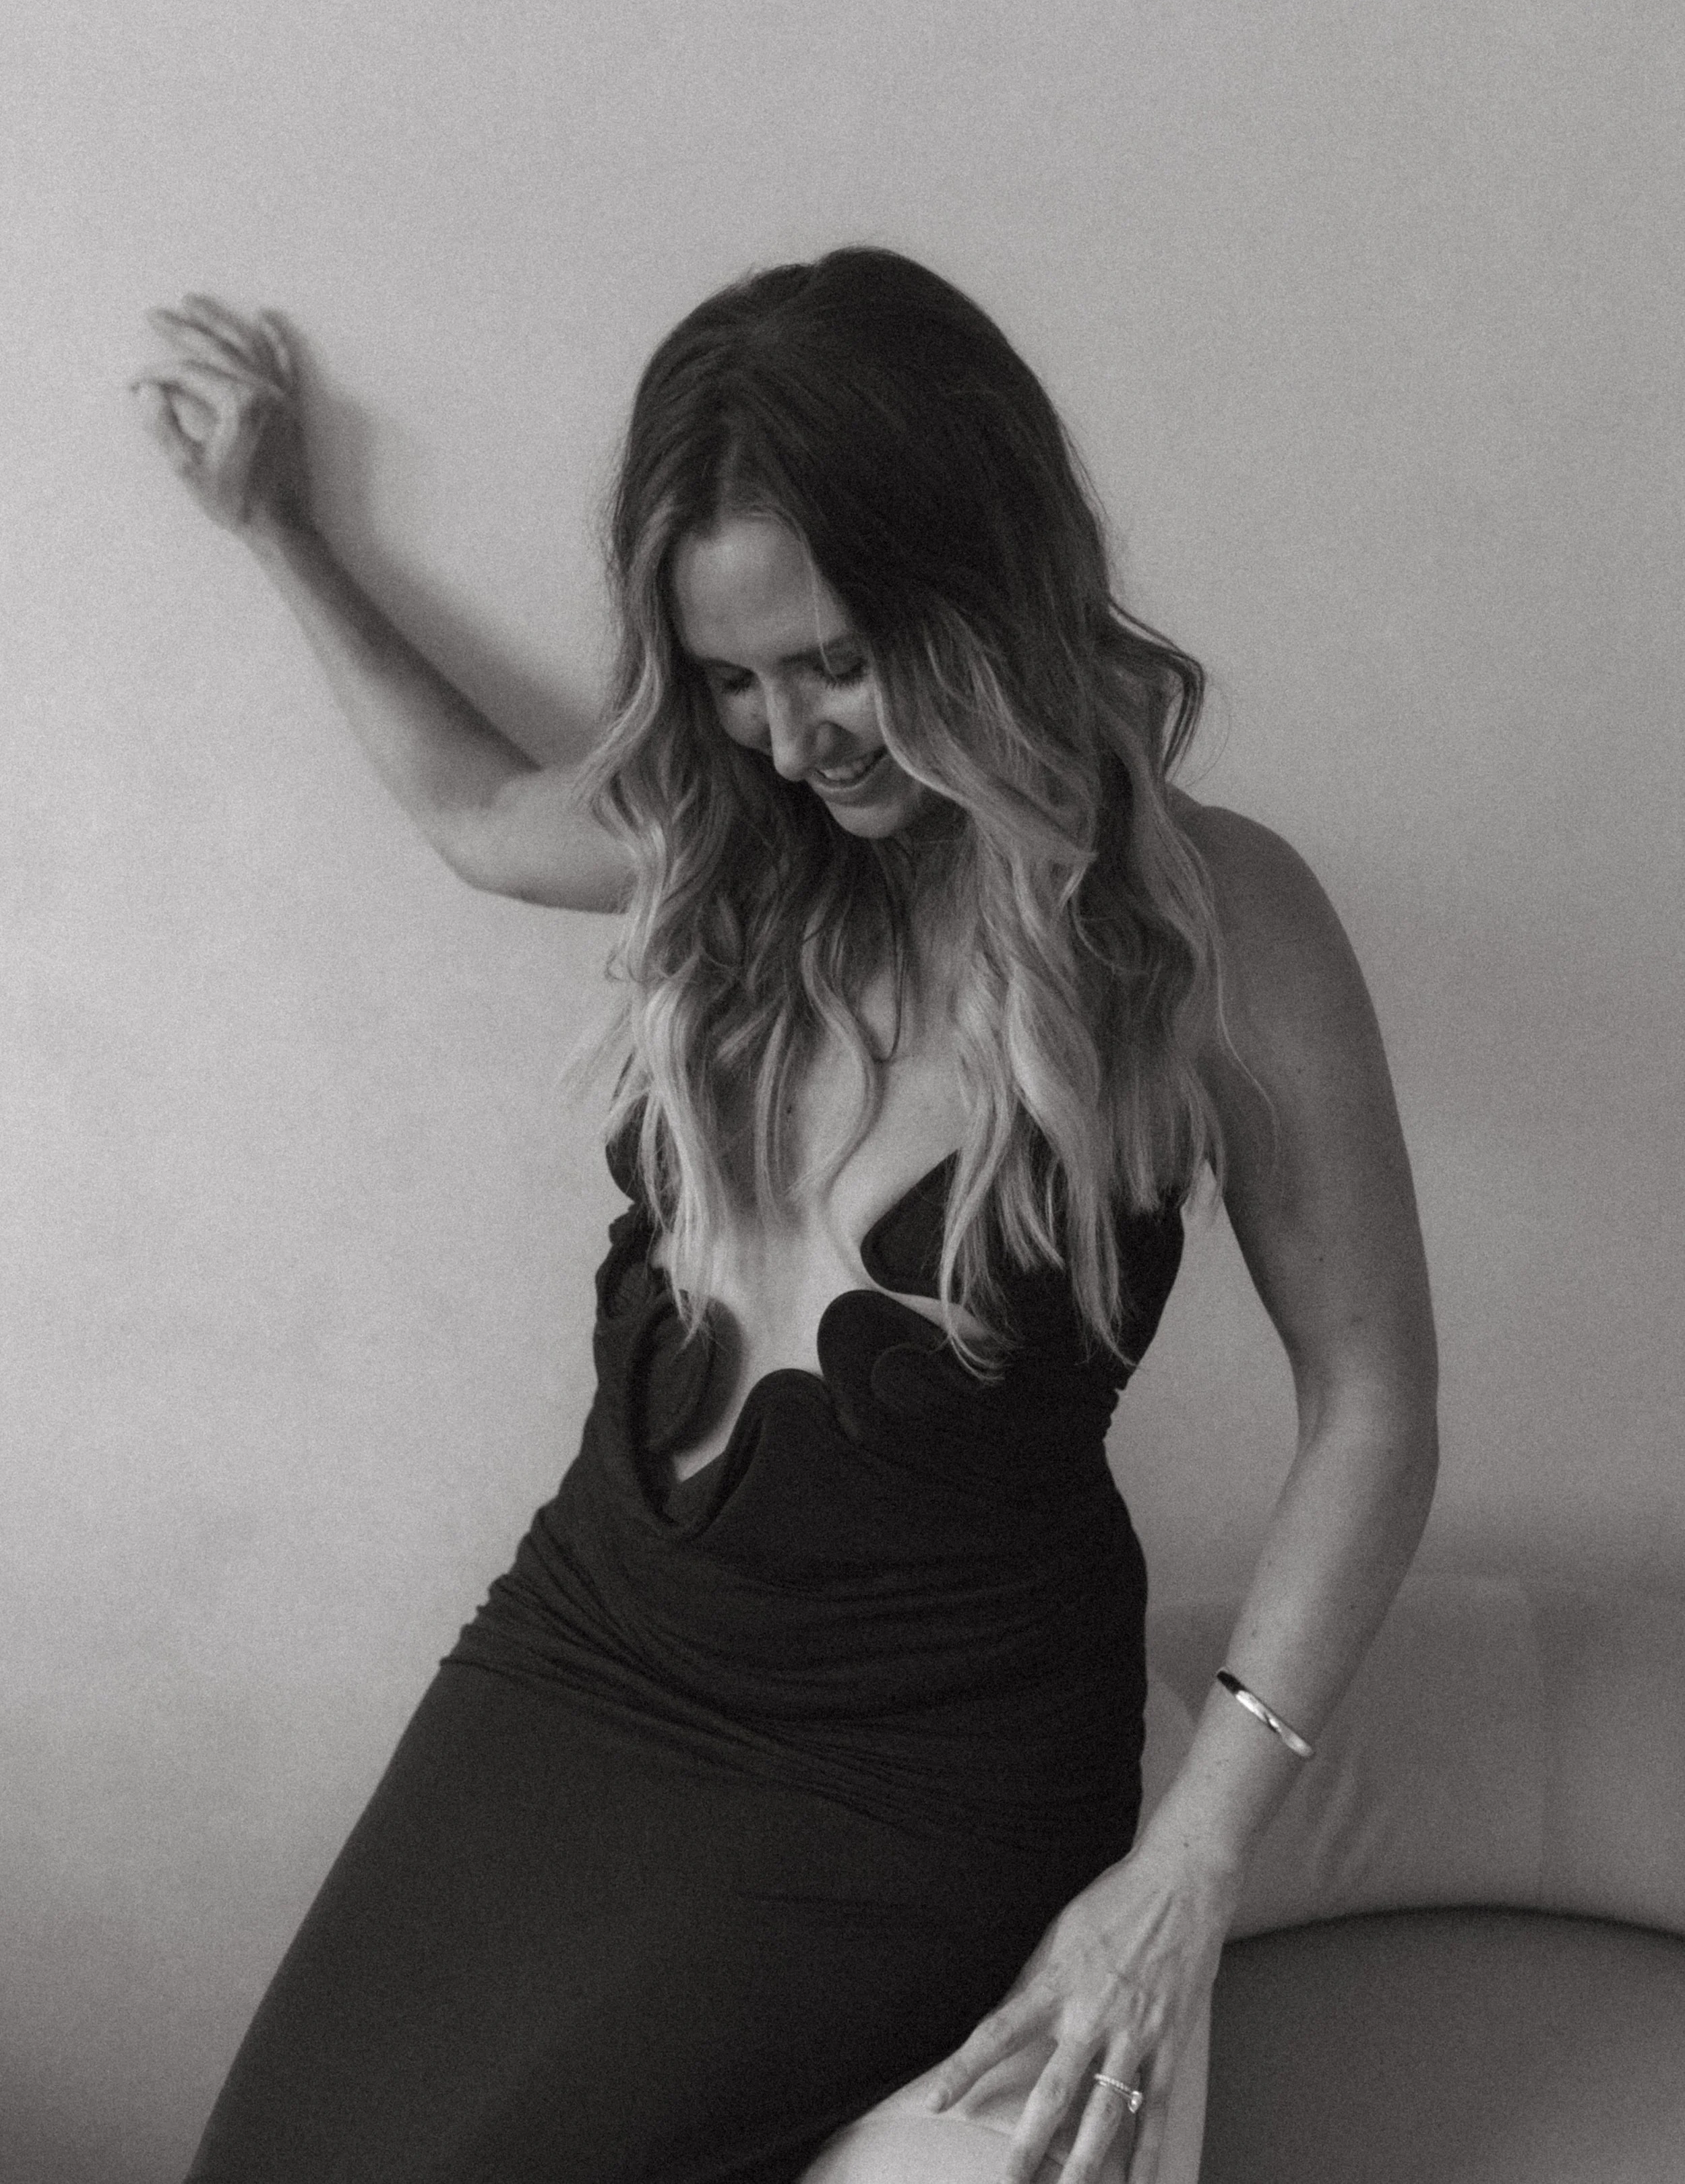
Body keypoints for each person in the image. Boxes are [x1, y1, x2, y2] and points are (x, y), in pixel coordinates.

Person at [133, 251, 1438, 2184]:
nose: (790, 738)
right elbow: (481, 814)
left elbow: (1373, 1403)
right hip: (588, 1637)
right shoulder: (730, 852)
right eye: (734, 680)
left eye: (835, 660)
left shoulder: (1208, 930)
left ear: (981, 588)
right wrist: (284, 532)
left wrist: (1194, 1852)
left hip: (912, 1765)